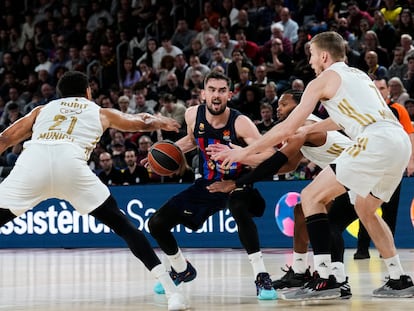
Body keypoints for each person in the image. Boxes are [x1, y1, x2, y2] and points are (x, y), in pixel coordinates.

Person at [212, 31, 414, 299]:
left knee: (310, 197)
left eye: (310, 55)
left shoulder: (322, 80)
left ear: (323, 55)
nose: (309, 61)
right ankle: (399, 278)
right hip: (398, 141)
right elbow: (341, 121)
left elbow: (287, 128)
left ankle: (328, 277)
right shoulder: (359, 76)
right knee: (366, 210)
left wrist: (244, 152)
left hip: (374, 142)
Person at [0, 71, 189, 311]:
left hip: (32, 163)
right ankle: (174, 294)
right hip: (70, 164)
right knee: (124, 226)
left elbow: (5, 138)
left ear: (58, 95)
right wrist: (162, 122)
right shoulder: (100, 111)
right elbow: (139, 121)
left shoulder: (41, 110)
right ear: (88, 92)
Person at [207, 89, 355, 297]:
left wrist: (237, 179)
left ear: (300, 105)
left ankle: (338, 279)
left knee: (325, 221)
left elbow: (276, 162)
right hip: (344, 177)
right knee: (301, 212)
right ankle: (300, 272)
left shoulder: (306, 126)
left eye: (283, 104)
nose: (278, 108)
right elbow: (287, 165)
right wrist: (240, 161)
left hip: (359, 174)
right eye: (278, 105)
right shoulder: (298, 131)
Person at [147, 71, 277, 300]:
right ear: (203, 94)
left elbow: (270, 156)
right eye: (212, 90)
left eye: (222, 90)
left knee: (237, 206)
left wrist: (238, 155)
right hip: (207, 184)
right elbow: (191, 141)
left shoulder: (241, 122)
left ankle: (261, 276)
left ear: (230, 94)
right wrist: (159, 155)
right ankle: (181, 269)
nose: (216, 95)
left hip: (237, 183)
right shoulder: (191, 115)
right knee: (156, 223)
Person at [354, 78, 414, 259]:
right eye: (375, 88)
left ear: (388, 90)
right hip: (370, 166)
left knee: (390, 209)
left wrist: (411, 161)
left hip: (392, 167)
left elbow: (409, 134)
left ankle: (385, 250)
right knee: (364, 207)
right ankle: (362, 249)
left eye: (381, 88)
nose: (379, 91)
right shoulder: (364, 109)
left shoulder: (398, 109)